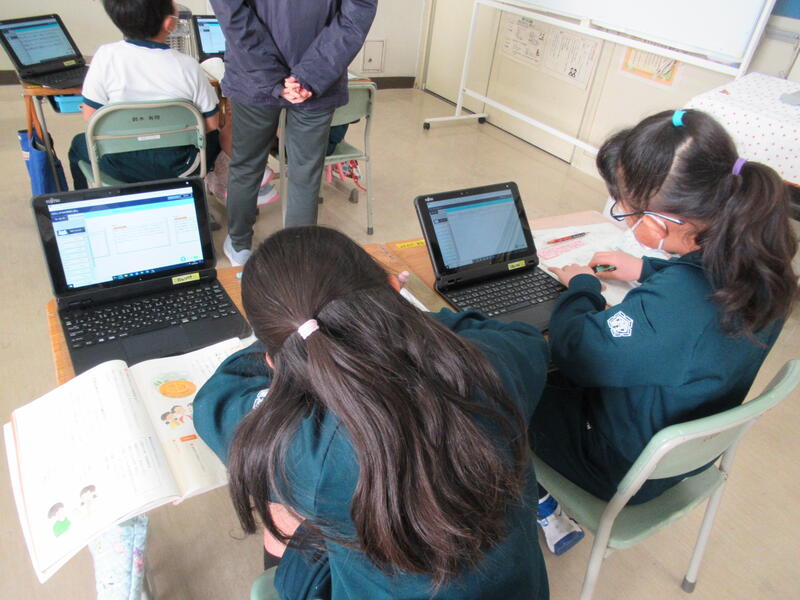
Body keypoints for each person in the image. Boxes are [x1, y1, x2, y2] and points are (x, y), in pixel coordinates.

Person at [194, 226, 551, 599]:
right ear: (395, 290)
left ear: (272, 362)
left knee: (281, 511)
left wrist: (294, 339)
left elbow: (215, 399)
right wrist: (399, 320)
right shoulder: (495, 363)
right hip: (520, 591)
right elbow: (518, 337)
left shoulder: (308, 451)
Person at [530, 109, 798, 553]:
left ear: (660, 222)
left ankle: (536, 497)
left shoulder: (675, 308)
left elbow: (577, 350)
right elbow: (697, 291)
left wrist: (581, 286)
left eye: (627, 211)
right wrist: (646, 269)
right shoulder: (765, 264)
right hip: (682, 450)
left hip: (619, 465)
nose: (625, 219)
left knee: (505, 381)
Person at [209, 0, 378, 266]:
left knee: (247, 165)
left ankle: (239, 245)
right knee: (305, 173)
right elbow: (356, 14)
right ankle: (297, 260)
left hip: (253, 76)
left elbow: (233, 13)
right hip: (318, 79)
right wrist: (311, 75)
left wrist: (272, 76)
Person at [68, 0, 222, 190]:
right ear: (169, 23)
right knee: (216, 135)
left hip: (119, 164)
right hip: (182, 165)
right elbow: (212, 124)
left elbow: (90, 118)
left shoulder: (105, 56)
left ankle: (83, 201)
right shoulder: (188, 65)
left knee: (78, 144)